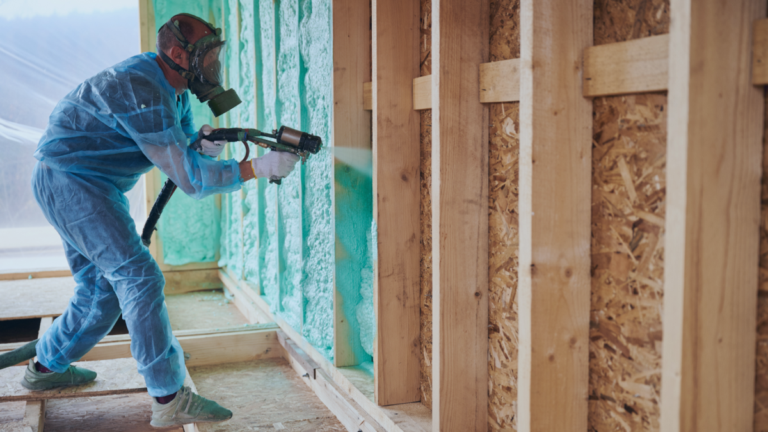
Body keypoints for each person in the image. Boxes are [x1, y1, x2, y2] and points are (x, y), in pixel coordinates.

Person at [25, 13, 298, 428]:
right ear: (178, 53)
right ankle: (168, 397)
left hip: (84, 182)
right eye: (208, 57)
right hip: (72, 181)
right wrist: (257, 168)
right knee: (138, 278)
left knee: (102, 289)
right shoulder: (144, 88)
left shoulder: (176, 91)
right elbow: (190, 180)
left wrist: (202, 146)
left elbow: (184, 156)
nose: (213, 67)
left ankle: (46, 368)